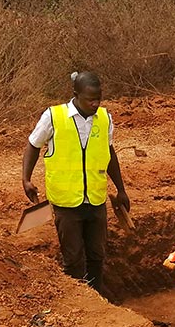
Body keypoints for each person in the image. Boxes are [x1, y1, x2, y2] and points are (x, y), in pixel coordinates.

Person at [22, 71, 129, 298]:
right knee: (73, 259)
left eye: (99, 98)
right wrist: (26, 179)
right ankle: (79, 303)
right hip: (66, 202)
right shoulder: (54, 117)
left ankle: (97, 299)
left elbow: (108, 152)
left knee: (97, 256)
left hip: (95, 198)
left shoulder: (104, 118)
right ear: (75, 95)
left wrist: (121, 189)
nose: (95, 103)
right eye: (90, 99)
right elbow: (33, 144)